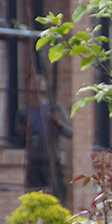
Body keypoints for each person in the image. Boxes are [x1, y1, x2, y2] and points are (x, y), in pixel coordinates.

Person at [18, 74, 73, 202]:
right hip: (34, 161)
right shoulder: (25, 112)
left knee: (58, 196)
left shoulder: (54, 108)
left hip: (52, 160)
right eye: (33, 83)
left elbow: (69, 132)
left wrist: (59, 122)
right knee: (35, 198)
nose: (37, 86)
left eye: (39, 82)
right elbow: (19, 141)